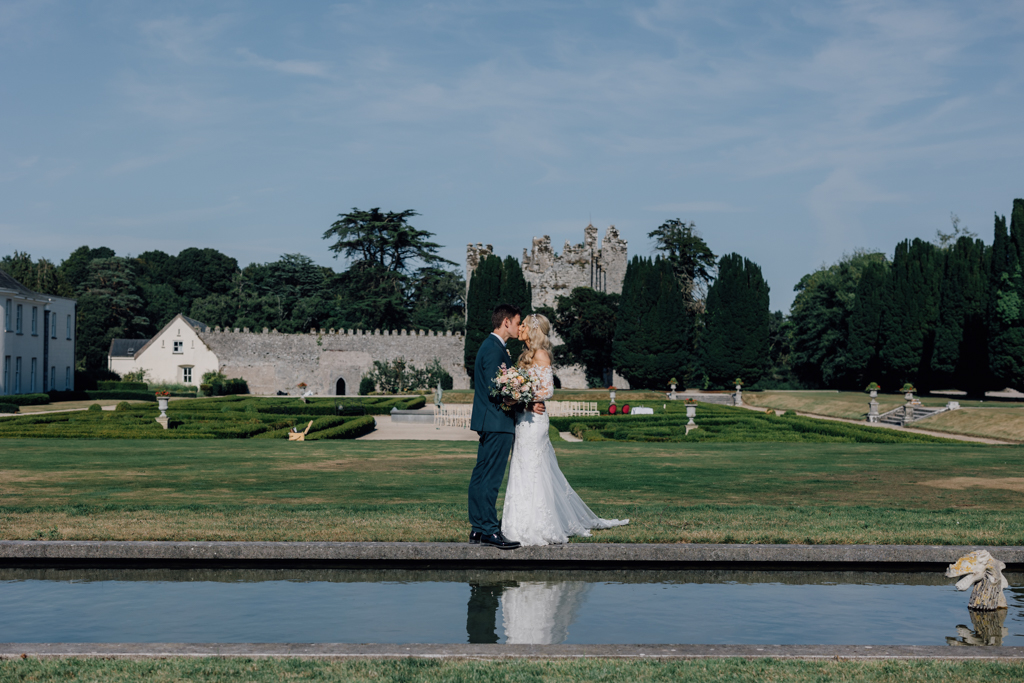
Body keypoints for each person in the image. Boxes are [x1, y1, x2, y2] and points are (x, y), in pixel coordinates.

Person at [501, 313, 629, 546]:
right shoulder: (524, 356)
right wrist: (518, 398)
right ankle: (517, 523)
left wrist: (525, 397)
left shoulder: (541, 354)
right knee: (521, 468)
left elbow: (548, 390)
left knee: (533, 469)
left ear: (532, 330)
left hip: (535, 421)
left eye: (523, 326)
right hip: (522, 419)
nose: (519, 328)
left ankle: (539, 524)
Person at [467, 304, 545, 549]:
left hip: (490, 420)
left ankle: (479, 529)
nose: (519, 326)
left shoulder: (494, 347)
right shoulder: (493, 349)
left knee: (481, 475)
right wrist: (526, 401)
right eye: (517, 322)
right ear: (506, 323)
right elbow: (498, 388)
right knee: (490, 478)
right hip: (497, 421)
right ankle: (489, 530)